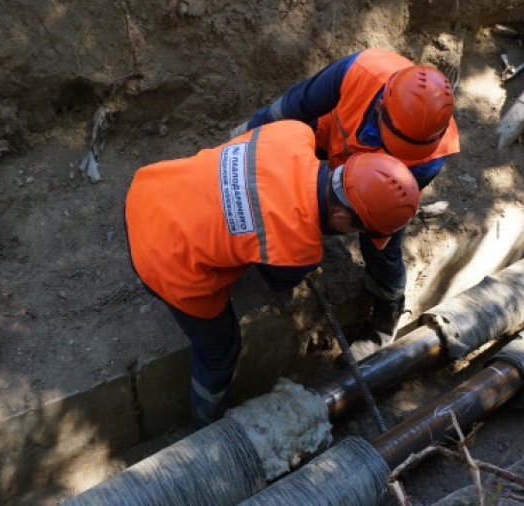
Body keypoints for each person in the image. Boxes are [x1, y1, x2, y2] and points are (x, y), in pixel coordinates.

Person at [125, 120, 420, 429]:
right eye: (360, 230)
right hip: (161, 259)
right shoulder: (298, 246)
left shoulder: (294, 133)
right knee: (220, 352)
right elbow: (278, 281)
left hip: (149, 191)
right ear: (340, 216)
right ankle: (207, 427)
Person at [229, 48, 459, 347]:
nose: (397, 152)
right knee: (284, 139)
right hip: (333, 137)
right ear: (380, 107)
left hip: (378, 183)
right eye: (395, 143)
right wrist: (240, 142)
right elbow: (292, 107)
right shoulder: (360, 71)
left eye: (407, 148)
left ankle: (386, 312)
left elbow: (370, 213)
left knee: (381, 244)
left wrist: (309, 227)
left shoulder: (429, 157)